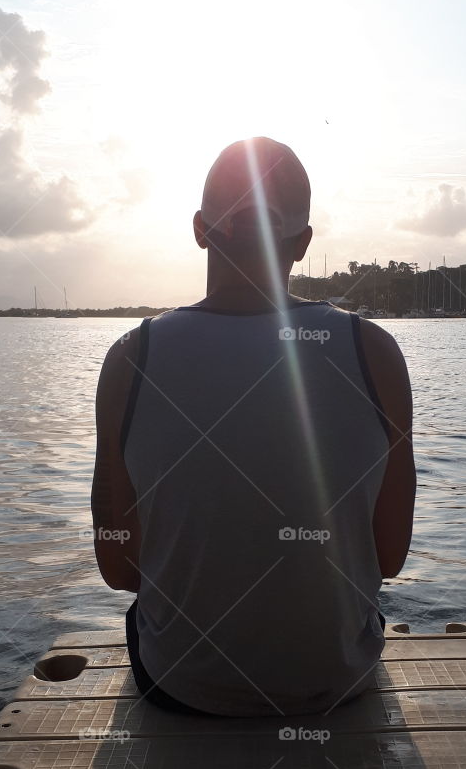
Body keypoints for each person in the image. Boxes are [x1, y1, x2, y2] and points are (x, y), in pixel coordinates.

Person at [90, 136, 415, 716]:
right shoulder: (375, 353)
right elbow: (389, 557)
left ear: (199, 229)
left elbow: (119, 567)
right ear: (304, 242)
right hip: (335, 682)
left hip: (185, 684)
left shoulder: (130, 358)